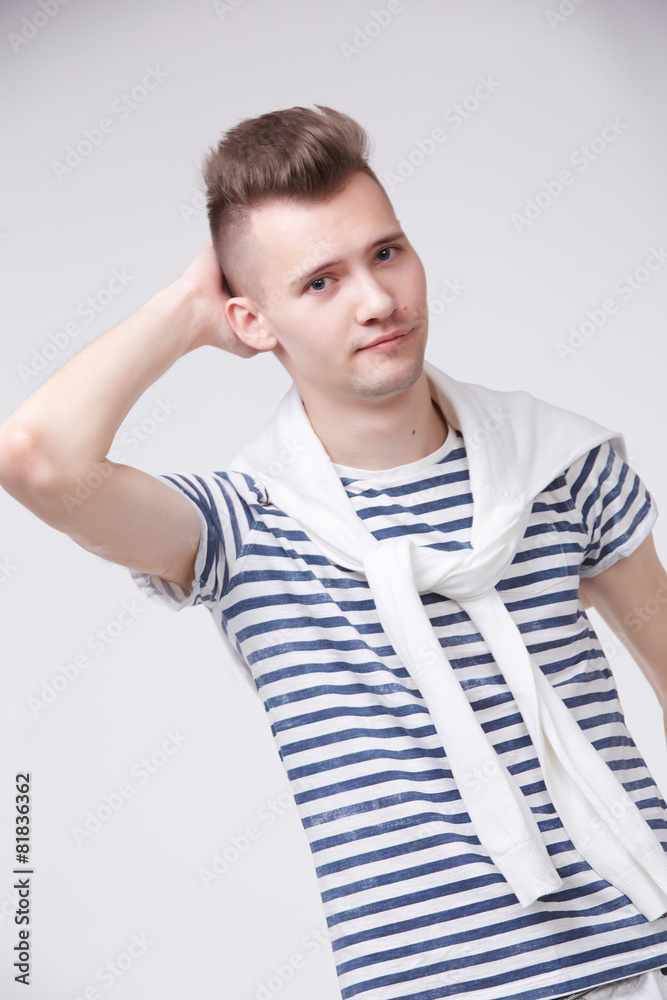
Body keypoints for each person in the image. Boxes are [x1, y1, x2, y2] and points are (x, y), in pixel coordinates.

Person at [2, 104, 667, 1000]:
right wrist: (186, 310)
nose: (376, 301)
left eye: (385, 253)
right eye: (319, 282)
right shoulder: (240, 526)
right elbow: (37, 461)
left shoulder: (558, 463)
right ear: (251, 321)